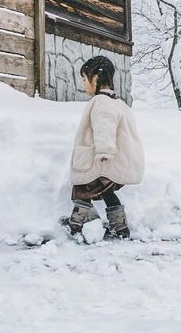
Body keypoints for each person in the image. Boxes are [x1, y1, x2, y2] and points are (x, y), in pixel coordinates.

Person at [62, 55, 144, 239]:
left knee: (82, 190)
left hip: (102, 161)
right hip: (110, 163)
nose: (84, 84)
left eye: (85, 79)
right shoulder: (117, 102)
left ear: (96, 79)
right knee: (107, 194)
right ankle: (119, 227)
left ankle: (76, 225)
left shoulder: (102, 102)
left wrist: (104, 151)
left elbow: (104, 126)